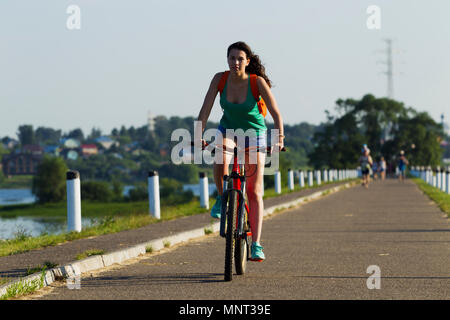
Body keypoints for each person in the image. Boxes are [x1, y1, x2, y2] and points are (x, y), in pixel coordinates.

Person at [195, 41, 284, 261]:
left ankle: (256, 244)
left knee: (254, 191)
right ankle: (222, 197)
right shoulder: (220, 79)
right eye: (232, 58)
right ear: (227, 60)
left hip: (255, 134)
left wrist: (279, 138)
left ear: (248, 61)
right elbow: (205, 110)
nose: (235, 62)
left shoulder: (256, 82)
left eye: (240, 59)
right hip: (229, 130)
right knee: (220, 156)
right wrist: (198, 135)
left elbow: (275, 114)